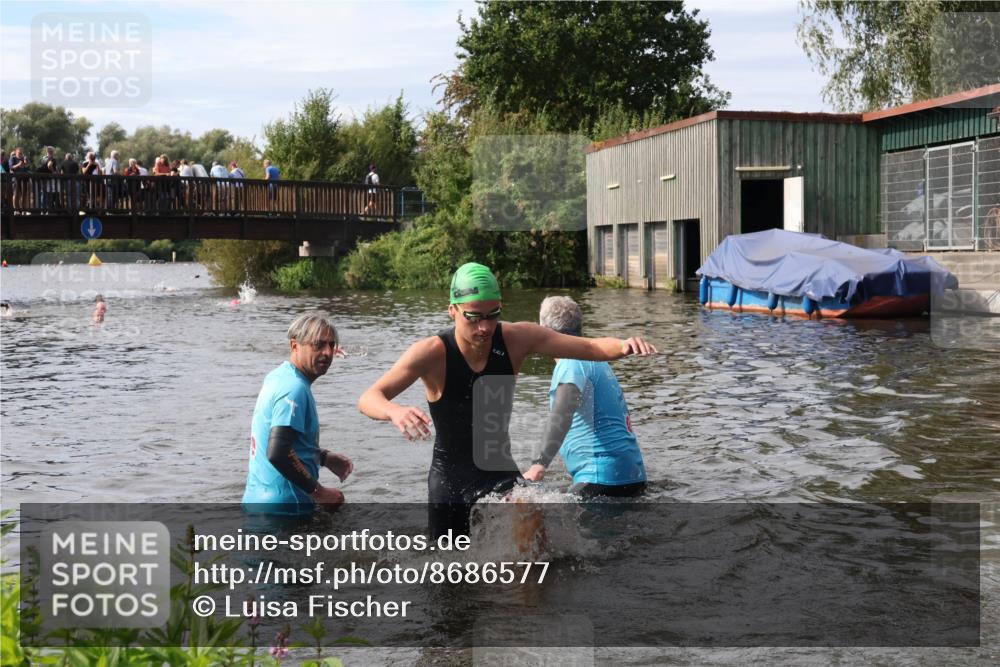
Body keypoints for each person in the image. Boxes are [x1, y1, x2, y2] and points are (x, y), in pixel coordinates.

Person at [358, 263, 656, 538]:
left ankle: (528, 593)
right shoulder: (432, 353)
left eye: (493, 314)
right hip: (450, 481)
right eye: (473, 317)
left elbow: (588, 347)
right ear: (452, 310)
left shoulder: (515, 339)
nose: (484, 327)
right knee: (447, 581)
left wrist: (622, 345)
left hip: (497, 470)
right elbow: (370, 397)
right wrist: (393, 411)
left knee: (531, 515)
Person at [524, 296, 647, 498]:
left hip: (601, 480)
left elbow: (561, 415)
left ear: (544, 331)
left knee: (527, 510)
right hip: (631, 475)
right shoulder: (597, 360)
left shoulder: (570, 362)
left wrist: (539, 464)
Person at [242, 312, 353, 515]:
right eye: (318, 345)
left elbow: (284, 442)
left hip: (259, 502)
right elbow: (278, 451)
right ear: (295, 346)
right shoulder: (294, 389)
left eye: (331, 344)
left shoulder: (279, 377)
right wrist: (319, 492)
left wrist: (323, 457)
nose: (328, 352)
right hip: (285, 510)